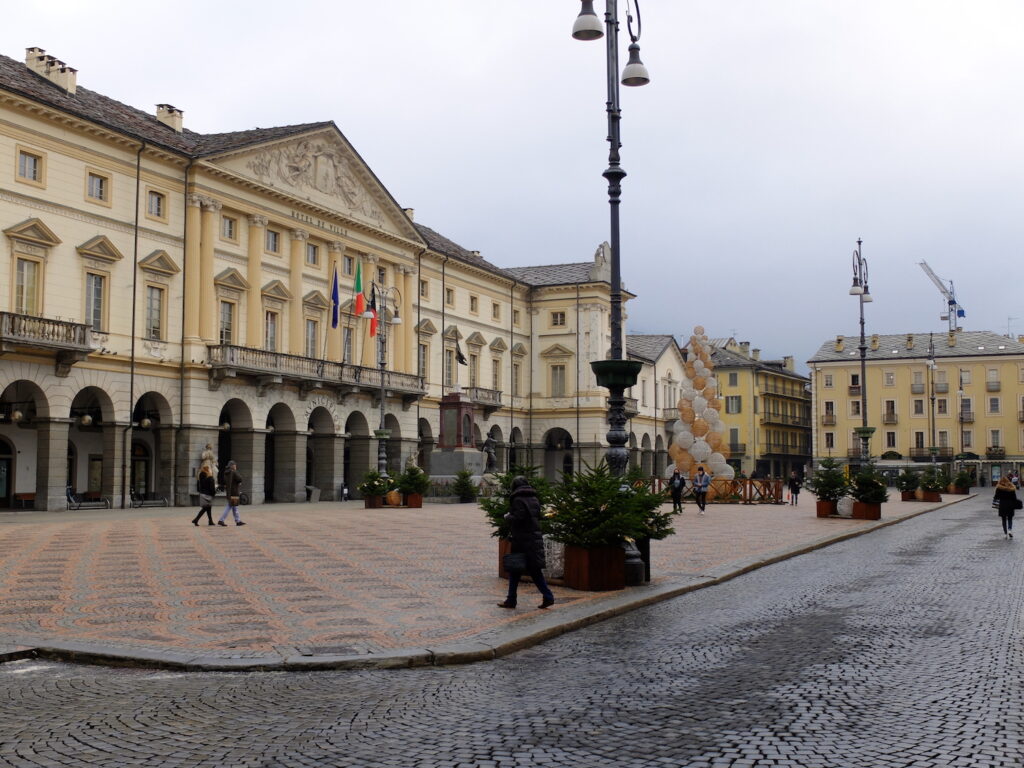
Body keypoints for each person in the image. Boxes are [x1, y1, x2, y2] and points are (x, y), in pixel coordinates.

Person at [498, 476, 555, 610]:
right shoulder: (534, 498)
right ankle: (546, 597)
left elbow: (519, 517)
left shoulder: (518, 499)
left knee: (516, 570)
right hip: (533, 538)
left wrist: (507, 517)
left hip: (523, 540)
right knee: (531, 571)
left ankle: (512, 600)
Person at [217, 460, 246, 526]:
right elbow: (240, 478)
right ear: (232, 466)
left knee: (234, 507)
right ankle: (221, 520)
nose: (235, 466)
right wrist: (236, 471)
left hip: (229, 492)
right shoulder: (233, 472)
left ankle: (238, 521)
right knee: (230, 507)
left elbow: (228, 482)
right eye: (235, 465)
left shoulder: (226, 472)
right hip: (234, 492)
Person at [993, 474, 1018, 539]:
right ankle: (1010, 530)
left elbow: (996, 497)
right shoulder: (1011, 488)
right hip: (1010, 505)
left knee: (1003, 519)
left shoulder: (999, 488)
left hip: (1002, 505)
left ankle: (1005, 533)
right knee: (1010, 518)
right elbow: (1014, 498)